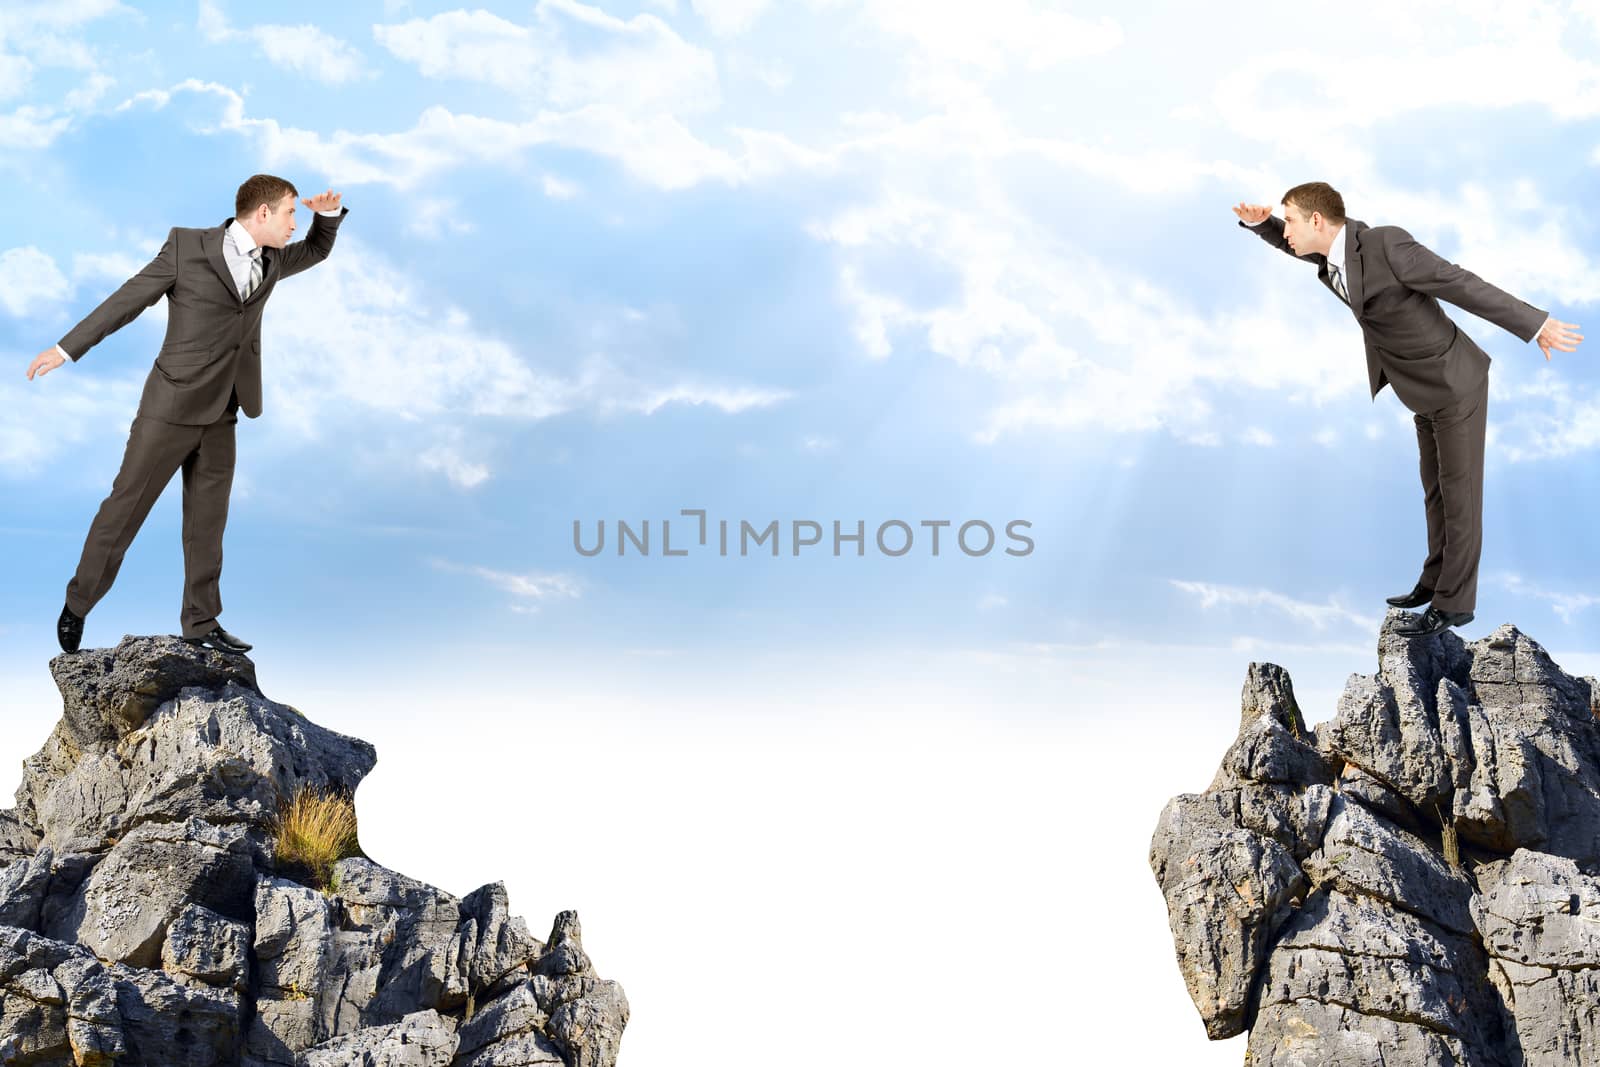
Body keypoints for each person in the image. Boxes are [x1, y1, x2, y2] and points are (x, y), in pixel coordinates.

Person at [1233, 182, 1582, 639]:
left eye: (1291, 220)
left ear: (1317, 220)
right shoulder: (1333, 253)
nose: (1289, 231)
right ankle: (1434, 578)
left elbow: (1460, 283)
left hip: (1455, 382)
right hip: (1418, 387)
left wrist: (1534, 324)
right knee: (1435, 490)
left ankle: (1455, 604)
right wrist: (1264, 226)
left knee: (1461, 496)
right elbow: (1301, 248)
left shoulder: (1385, 244)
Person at [26, 174, 347, 655]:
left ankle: (202, 621)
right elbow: (126, 301)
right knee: (124, 509)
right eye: (290, 213)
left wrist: (325, 215)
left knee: (207, 523)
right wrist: (66, 349)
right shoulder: (186, 247)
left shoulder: (274, 260)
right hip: (170, 406)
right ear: (263, 213)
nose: (292, 224)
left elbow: (317, 251)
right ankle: (78, 604)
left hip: (225, 409)